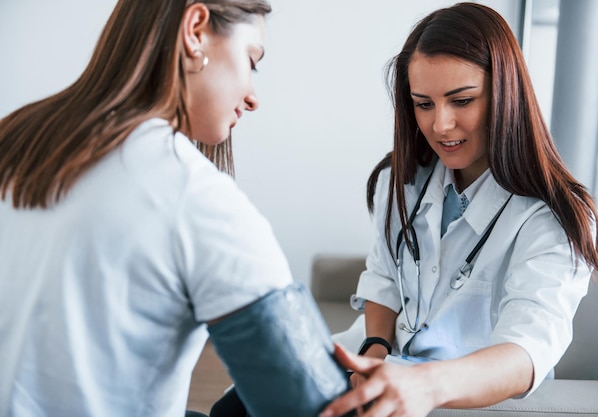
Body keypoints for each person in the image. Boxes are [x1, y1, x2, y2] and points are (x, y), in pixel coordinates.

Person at [0, 1, 351, 416]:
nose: (253, 97)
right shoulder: (195, 196)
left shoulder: (16, 138)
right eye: (251, 61)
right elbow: (309, 406)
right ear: (196, 30)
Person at [319, 2, 598, 417]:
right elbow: (383, 276)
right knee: (239, 405)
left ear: (504, 94)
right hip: (384, 370)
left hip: (461, 397)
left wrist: (422, 385)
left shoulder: (555, 217)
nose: (440, 125)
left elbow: (527, 349)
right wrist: (375, 351)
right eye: (424, 104)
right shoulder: (402, 178)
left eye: (462, 100)